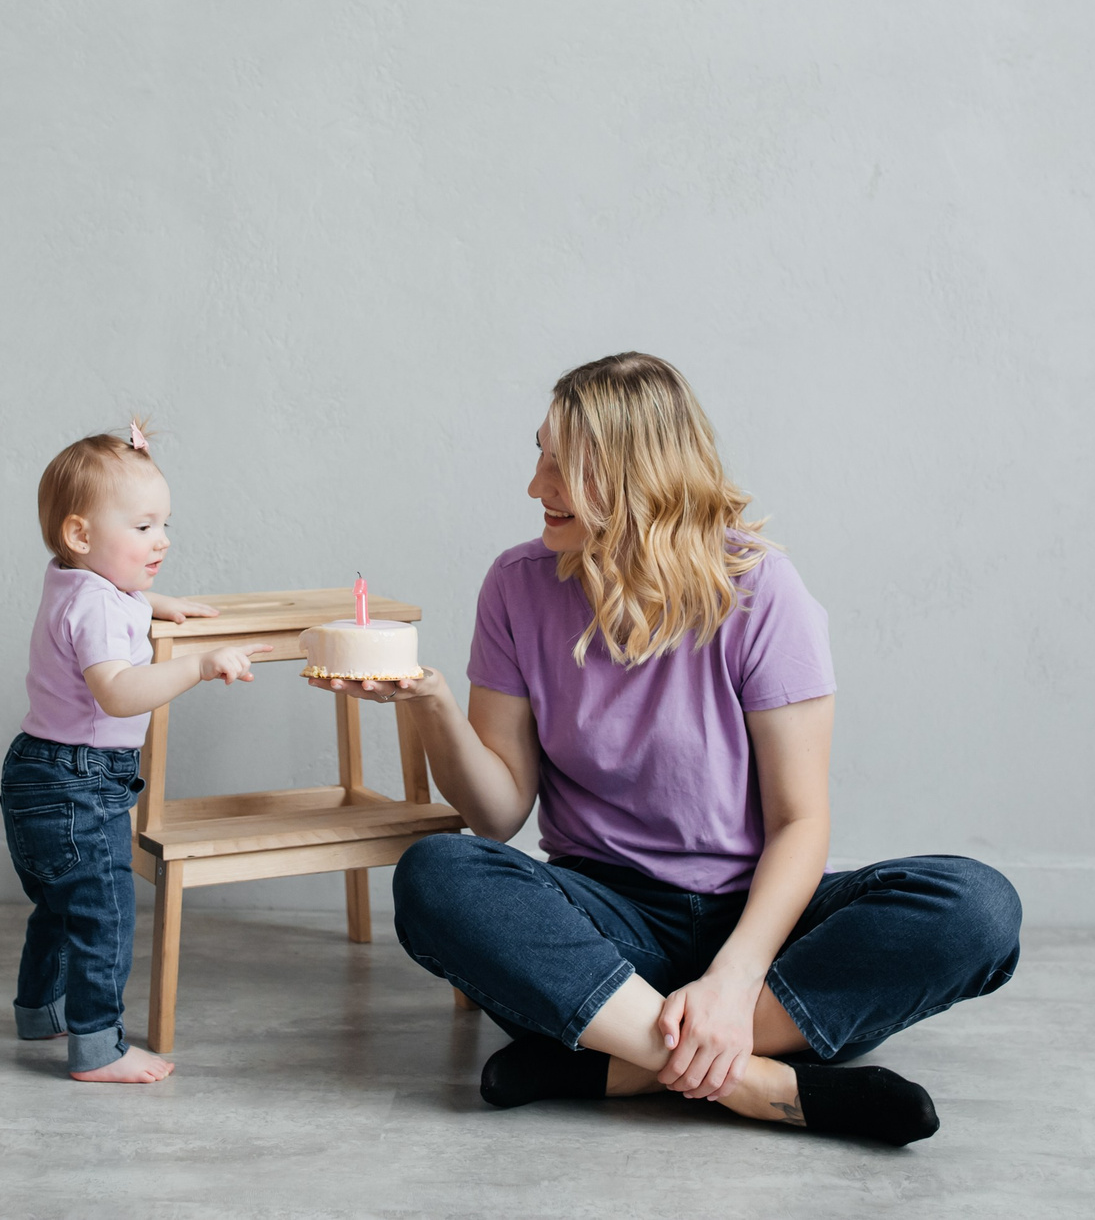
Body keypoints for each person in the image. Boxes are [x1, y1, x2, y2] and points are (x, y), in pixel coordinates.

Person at [316, 354, 1021, 1145]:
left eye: (560, 464)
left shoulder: (762, 590)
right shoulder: (516, 586)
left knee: (978, 908)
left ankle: (613, 1062)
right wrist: (433, 705)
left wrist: (734, 975)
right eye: (538, 453)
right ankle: (758, 1081)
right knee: (435, 875)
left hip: (758, 927)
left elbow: (800, 821)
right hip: (605, 926)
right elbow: (499, 813)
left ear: (633, 474)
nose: (534, 485)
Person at [0, 422, 260, 1084]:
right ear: (81, 534)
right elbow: (116, 691)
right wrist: (198, 666)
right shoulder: (99, 608)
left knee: (59, 906)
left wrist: (156, 605)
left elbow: (111, 602)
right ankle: (98, 1046)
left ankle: (41, 1009)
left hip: (39, 771)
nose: (162, 539)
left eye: (164, 523)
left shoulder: (74, 581)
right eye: (143, 526)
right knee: (103, 913)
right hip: (79, 784)